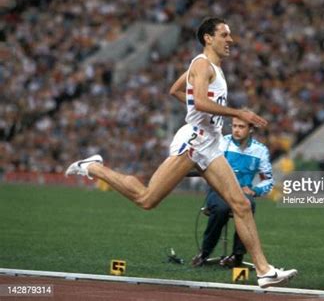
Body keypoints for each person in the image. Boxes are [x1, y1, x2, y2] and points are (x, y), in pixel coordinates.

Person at [65, 17, 297, 288]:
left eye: (229, 35)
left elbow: (176, 91)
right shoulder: (201, 64)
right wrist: (237, 112)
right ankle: (93, 167)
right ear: (208, 38)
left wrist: (203, 115)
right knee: (146, 199)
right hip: (195, 142)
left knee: (242, 205)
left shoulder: (214, 68)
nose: (230, 40)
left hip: (209, 143)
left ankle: (264, 270)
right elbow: (198, 101)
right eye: (224, 34)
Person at [190, 116, 274, 268]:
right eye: (234, 126)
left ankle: (237, 256)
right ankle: (205, 253)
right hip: (219, 190)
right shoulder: (221, 143)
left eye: (241, 127)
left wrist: (255, 190)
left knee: (247, 205)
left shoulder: (260, 150)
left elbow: (269, 180)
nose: (236, 129)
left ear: (251, 129)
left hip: (244, 193)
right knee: (221, 209)